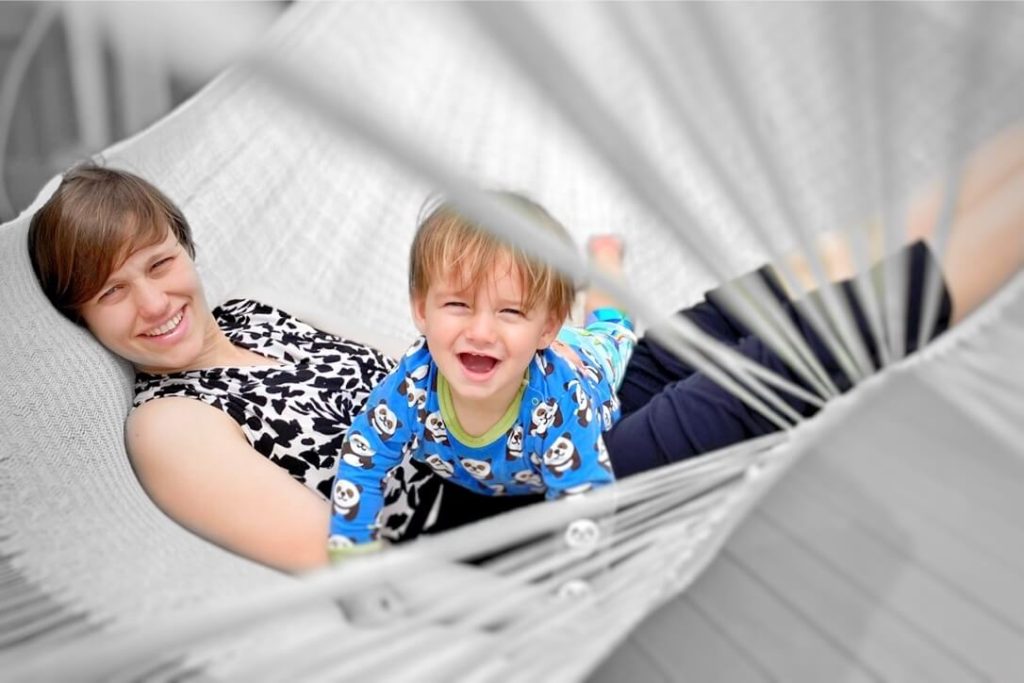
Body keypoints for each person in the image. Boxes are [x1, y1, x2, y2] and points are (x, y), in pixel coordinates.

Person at [27, 164, 427, 573]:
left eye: (159, 264)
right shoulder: (170, 422)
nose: (154, 304)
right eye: (112, 291)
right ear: (82, 318)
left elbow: (424, 363)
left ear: (185, 247)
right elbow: (353, 566)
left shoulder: (258, 307)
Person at [327, 193, 637, 551]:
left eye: (509, 311)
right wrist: (351, 552)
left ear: (547, 328)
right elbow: (363, 460)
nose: (480, 333)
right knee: (533, 324)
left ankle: (605, 258)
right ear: (421, 311)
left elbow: (586, 509)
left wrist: (576, 586)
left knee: (610, 328)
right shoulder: (412, 386)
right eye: (458, 304)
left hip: (585, 359)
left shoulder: (561, 405)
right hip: (526, 344)